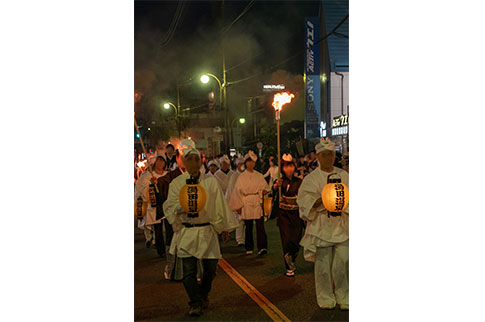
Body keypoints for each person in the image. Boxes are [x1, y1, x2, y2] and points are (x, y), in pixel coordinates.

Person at [163, 140, 238, 317]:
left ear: (200, 161)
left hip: (207, 231)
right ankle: (195, 302)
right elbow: (169, 207)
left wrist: (224, 228)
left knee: (211, 269)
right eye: (189, 160)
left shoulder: (211, 183)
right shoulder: (177, 184)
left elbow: (219, 205)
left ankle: (203, 294)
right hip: (187, 231)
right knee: (188, 272)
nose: (194, 164)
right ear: (184, 162)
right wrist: (184, 206)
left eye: (196, 160)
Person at [297, 138, 349, 310]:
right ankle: (326, 297)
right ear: (318, 157)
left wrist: (341, 203)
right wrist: (321, 200)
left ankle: (344, 295)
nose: (329, 158)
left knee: (342, 264)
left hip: (341, 225)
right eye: (325, 155)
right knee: (323, 267)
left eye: (331, 155)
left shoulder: (344, 176)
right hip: (321, 227)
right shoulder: (312, 179)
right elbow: (304, 200)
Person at [229, 150, 270, 255]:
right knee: (248, 226)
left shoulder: (259, 175)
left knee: (260, 226)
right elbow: (237, 192)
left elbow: (266, 187)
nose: (250, 164)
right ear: (245, 163)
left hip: (257, 201)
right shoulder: (241, 177)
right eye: (248, 162)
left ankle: (262, 247)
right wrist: (238, 206)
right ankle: (249, 247)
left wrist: (264, 191)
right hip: (246, 202)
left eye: (252, 162)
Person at [273, 154, 304, 277]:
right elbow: (274, 191)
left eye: (290, 166)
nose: (289, 169)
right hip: (284, 215)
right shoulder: (280, 182)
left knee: (296, 240)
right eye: (286, 167)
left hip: (296, 214)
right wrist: (276, 187)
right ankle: (288, 266)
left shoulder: (299, 182)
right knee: (286, 239)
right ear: (282, 168)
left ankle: (292, 256)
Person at [134, 153, 169, 258]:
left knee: (168, 228)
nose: (160, 163)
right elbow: (141, 188)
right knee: (158, 228)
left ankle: (169, 247)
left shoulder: (168, 174)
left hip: (167, 205)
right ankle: (160, 250)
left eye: (162, 161)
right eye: (158, 161)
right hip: (154, 206)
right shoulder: (148, 176)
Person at [225, 157, 246, 246]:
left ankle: (245, 238)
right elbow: (231, 190)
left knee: (246, 221)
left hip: (246, 200)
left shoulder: (247, 174)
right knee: (240, 220)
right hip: (237, 199)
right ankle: (240, 239)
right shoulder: (234, 176)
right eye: (240, 164)